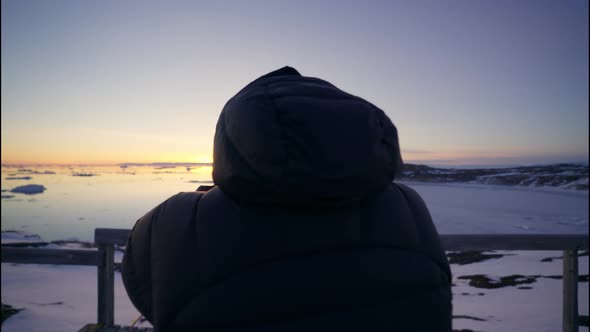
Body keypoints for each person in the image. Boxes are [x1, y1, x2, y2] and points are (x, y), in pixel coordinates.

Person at [121, 66, 452, 332]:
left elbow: (142, 285)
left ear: (231, 140)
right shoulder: (408, 206)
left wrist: (207, 207)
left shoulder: (175, 220)